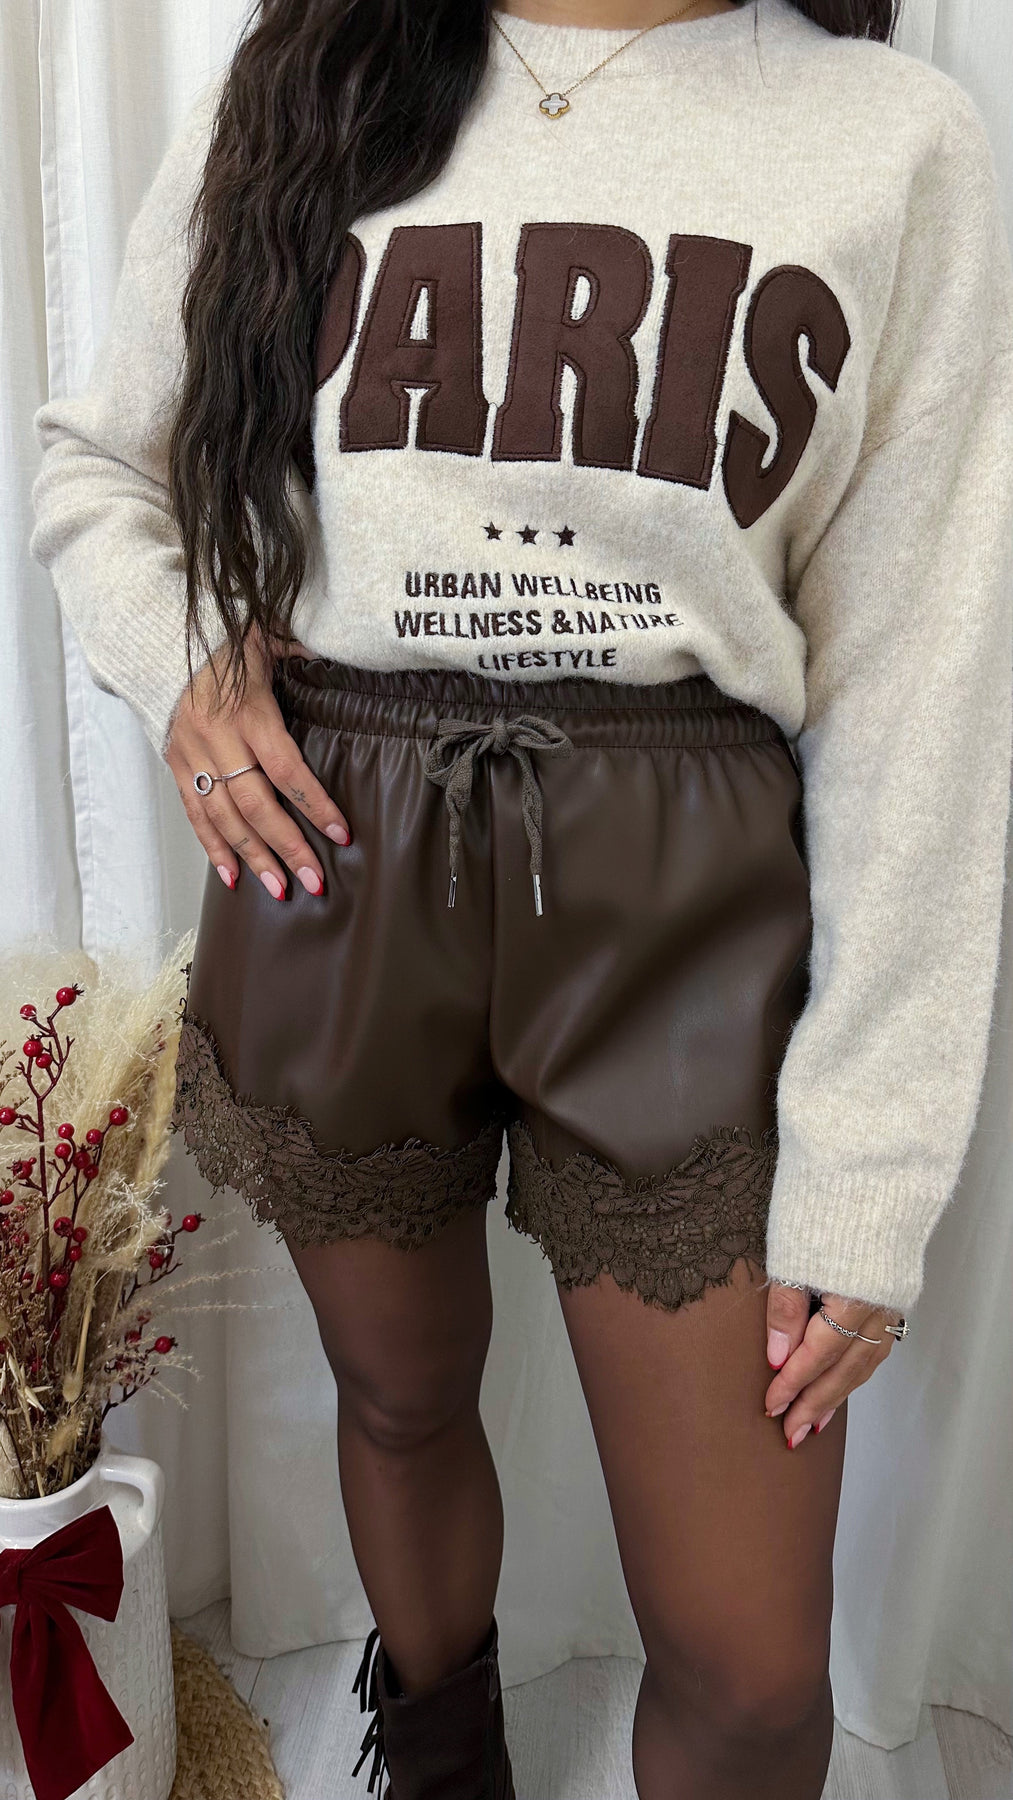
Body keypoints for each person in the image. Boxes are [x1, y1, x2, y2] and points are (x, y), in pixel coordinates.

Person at [29, 0, 1013, 1793]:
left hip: (683, 889)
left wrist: (870, 1169)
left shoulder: (889, 139)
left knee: (751, 1666)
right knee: (398, 1399)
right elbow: (101, 463)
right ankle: (443, 1756)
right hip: (332, 844)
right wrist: (182, 666)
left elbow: (923, 686)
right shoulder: (311, 76)